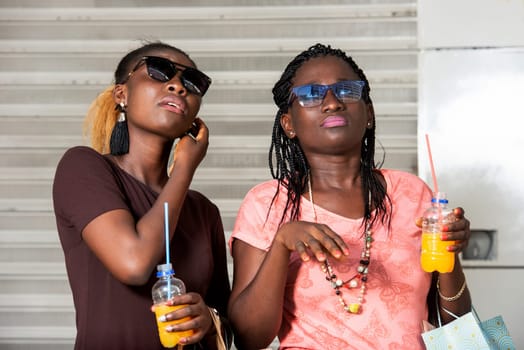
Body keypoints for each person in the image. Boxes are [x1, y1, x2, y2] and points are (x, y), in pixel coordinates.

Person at [227, 43, 472, 350]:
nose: (332, 102)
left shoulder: (412, 194)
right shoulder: (266, 204)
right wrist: (281, 243)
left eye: (346, 90)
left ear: (368, 113)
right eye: (311, 94)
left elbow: (455, 327)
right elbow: (250, 338)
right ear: (289, 124)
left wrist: (450, 253)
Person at [52, 41, 231, 350]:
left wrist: (208, 318)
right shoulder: (83, 167)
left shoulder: (203, 210)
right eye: (159, 71)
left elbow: (230, 327)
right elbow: (133, 264)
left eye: (192, 82)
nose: (177, 86)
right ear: (121, 94)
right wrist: (185, 168)